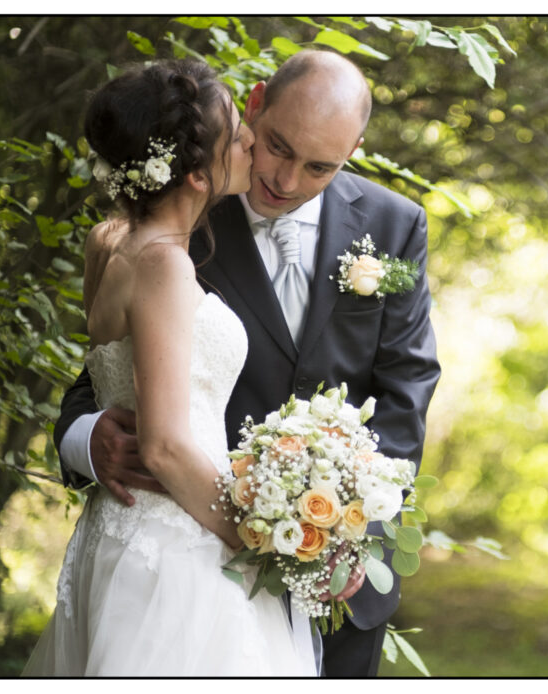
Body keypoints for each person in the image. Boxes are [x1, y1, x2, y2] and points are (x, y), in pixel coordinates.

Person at [55, 50, 441, 677]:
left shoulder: (395, 226)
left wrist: (352, 533)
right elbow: (103, 371)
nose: (287, 180)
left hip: (340, 575)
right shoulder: (176, 215)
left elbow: (407, 390)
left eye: (319, 166)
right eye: (278, 147)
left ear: (354, 149)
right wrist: (85, 440)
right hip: (195, 561)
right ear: (255, 103)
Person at [24, 59, 318, 676]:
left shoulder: (107, 241)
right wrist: (256, 539)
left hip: (126, 528)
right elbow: (161, 445)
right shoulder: (164, 264)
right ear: (193, 174)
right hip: (180, 547)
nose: (251, 144)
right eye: (236, 135)